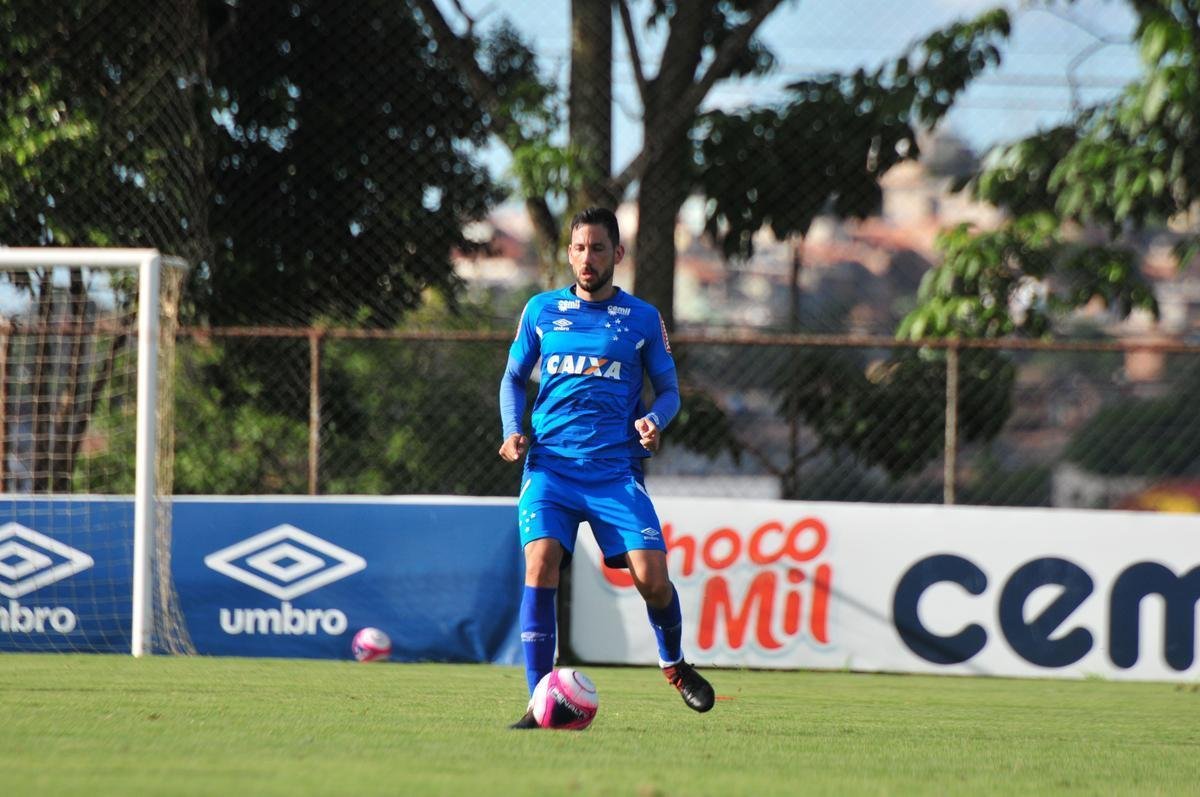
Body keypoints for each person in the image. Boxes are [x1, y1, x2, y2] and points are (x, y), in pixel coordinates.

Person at [498, 206, 715, 729]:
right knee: (540, 562)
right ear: (568, 253)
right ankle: (538, 699)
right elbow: (512, 379)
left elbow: (669, 390)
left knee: (653, 579)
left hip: (615, 471)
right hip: (550, 468)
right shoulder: (541, 311)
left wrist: (654, 420)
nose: (587, 258)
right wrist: (511, 431)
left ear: (617, 254)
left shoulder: (642, 318)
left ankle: (674, 664)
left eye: (598, 248)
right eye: (579, 248)